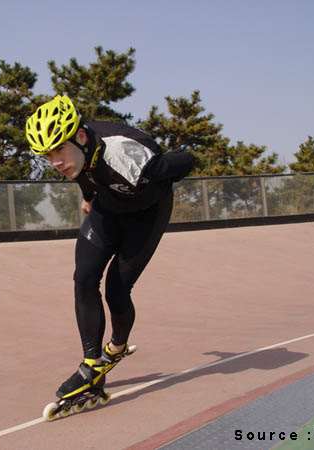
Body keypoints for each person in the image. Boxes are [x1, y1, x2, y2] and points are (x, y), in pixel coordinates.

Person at [26, 95, 194, 403]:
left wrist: (175, 162)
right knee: (84, 278)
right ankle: (92, 364)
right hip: (108, 208)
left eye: (59, 150)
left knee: (117, 290)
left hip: (146, 216)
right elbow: (84, 171)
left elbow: (184, 161)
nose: (56, 162)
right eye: (47, 155)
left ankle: (116, 347)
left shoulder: (125, 154)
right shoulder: (78, 151)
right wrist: (89, 195)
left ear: (79, 135)